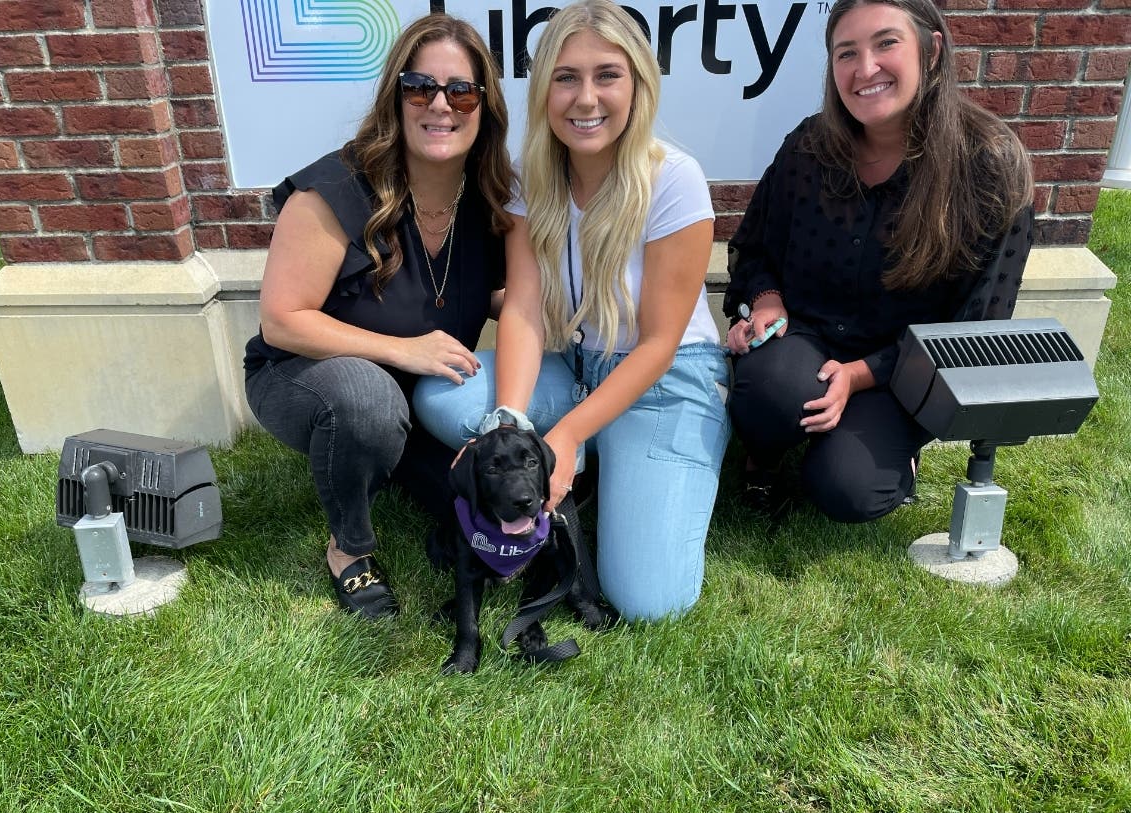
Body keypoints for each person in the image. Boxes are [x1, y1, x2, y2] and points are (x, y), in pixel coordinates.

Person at [415, 0, 730, 621]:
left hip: (669, 380)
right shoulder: (532, 179)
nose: (586, 98)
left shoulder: (675, 179)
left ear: (638, 83)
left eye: (607, 75)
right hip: (580, 366)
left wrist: (563, 435)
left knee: (650, 601)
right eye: (566, 77)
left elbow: (660, 344)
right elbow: (526, 309)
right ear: (544, 91)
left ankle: (623, 458)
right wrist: (508, 417)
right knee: (440, 397)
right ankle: (595, 458)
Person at [243, 14, 514, 619]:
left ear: (484, 107)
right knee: (366, 404)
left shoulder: (487, 198)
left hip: (418, 395)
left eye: (461, 90)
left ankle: (379, 457)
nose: (440, 105)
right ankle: (350, 548)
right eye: (420, 87)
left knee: (475, 501)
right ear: (396, 97)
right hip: (305, 373)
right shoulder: (335, 189)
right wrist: (405, 350)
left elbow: (476, 293)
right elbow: (283, 320)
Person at [724, 0, 1034, 522]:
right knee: (768, 393)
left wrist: (860, 374)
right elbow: (755, 247)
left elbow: (974, 328)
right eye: (847, 53)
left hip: (905, 365)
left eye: (886, 44)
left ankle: (892, 455)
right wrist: (765, 301)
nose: (865, 69)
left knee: (849, 489)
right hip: (808, 337)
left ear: (931, 50)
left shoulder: (990, 169)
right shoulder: (808, 147)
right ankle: (764, 455)